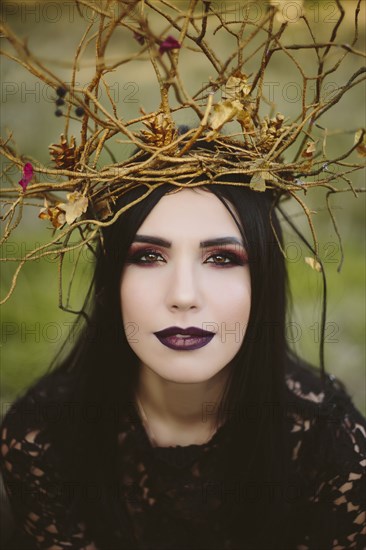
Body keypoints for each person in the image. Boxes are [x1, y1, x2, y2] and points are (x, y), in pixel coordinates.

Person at [0, 147, 365, 550]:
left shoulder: (330, 444)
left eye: (222, 258)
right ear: (110, 282)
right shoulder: (43, 434)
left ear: (264, 282)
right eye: (149, 256)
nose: (184, 296)